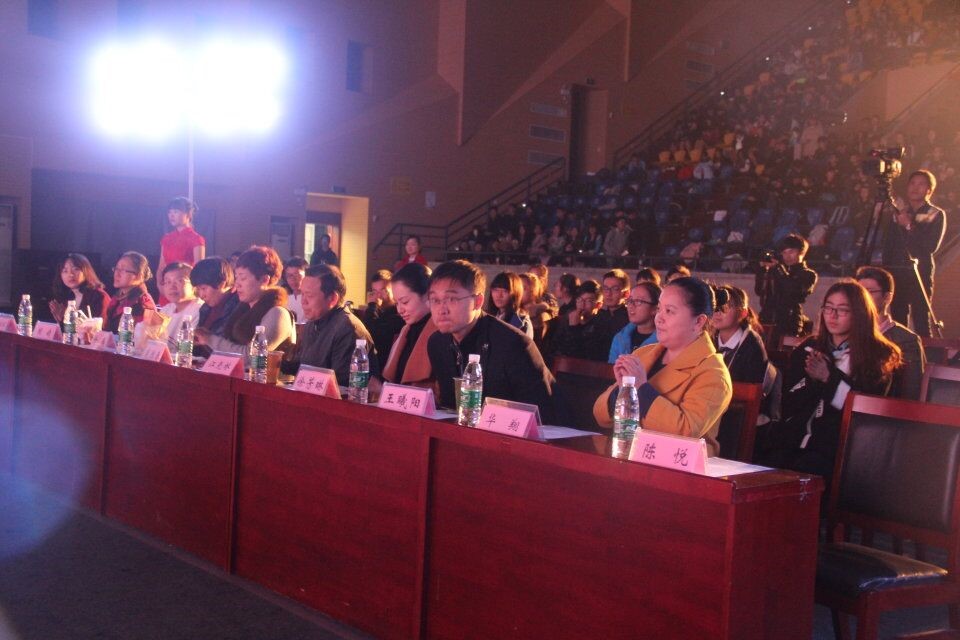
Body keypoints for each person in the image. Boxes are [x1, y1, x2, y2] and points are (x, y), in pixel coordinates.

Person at [756, 280, 902, 484]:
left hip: (842, 444)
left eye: (842, 310)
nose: (833, 316)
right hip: (796, 437)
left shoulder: (878, 354)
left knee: (809, 468)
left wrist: (828, 378)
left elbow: (865, 411)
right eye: (828, 308)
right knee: (763, 458)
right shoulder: (809, 347)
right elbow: (788, 401)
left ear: (859, 314)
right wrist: (812, 381)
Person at [593, 277, 733, 456]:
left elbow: (685, 431)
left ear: (698, 321)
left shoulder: (713, 373)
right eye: (659, 309)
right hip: (630, 455)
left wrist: (641, 389)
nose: (658, 318)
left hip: (680, 467)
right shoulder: (643, 354)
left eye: (669, 311)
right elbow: (600, 415)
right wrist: (620, 391)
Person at [425, 260, 561, 423]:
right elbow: (450, 408)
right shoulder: (437, 343)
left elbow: (543, 414)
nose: (441, 309)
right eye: (435, 300)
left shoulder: (513, 344)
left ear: (478, 301)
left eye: (451, 299)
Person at [282, 264, 379, 386]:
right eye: (303, 294)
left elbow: (340, 384)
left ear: (332, 298)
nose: (303, 301)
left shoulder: (348, 329)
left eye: (309, 295)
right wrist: (277, 363)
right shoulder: (312, 323)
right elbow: (302, 366)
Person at [195, 246, 294, 354]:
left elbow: (253, 356)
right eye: (236, 277)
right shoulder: (243, 309)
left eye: (243, 278)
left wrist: (210, 339)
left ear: (264, 280)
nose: (237, 284)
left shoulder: (277, 313)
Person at [882, 169, 947, 336]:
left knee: (921, 318)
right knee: (898, 318)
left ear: (929, 190)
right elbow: (889, 244)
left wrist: (909, 226)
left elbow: (930, 246)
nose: (915, 188)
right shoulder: (899, 214)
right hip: (897, 271)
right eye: (912, 183)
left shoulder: (936, 214)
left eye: (921, 184)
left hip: (920, 271)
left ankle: (925, 351)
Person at [856, 266, 926, 400]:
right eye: (859, 292)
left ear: (887, 297)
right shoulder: (847, 331)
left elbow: (911, 392)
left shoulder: (906, 340)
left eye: (869, 292)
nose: (862, 298)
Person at [381, 263, 437, 385]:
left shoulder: (440, 333)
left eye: (405, 302)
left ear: (427, 295)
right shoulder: (406, 331)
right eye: (397, 303)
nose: (399, 310)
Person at [755, 234, 818, 342]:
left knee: (785, 351)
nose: (787, 256)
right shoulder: (776, 270)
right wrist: (762, 270)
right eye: (784, 252)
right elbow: (759, 291)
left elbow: (792, 290)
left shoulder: (808, 274)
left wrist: (778, 269)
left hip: (789, 322)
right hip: (767, 319)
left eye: (791, 252)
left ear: (801, 252)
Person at [711, 285, 768, 384]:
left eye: (725, 307)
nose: (718, 313)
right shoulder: (708, 339)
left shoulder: (752, 345)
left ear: (743, 313)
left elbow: (751, 388)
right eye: (716, 307)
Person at [49, 253, 111, 324]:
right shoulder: (68, 297)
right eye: (65, 271)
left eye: (76, 269)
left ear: (86, 271)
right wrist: (62, 320)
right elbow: (69, 329)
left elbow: (99, 327)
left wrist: (68, 320)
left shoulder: (99, 296)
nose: (70, 274)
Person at [554, 280, 608, 361]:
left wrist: (574, 328)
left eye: (588, 301)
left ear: (598, 305)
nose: (582, 304)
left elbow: (584, 354)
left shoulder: (602, 325)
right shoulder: (568, 318)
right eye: (579, 300)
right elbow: (559, 348)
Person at [608, 282, 660, 363]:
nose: (631, 306)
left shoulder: (663, 342)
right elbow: (611, 367)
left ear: (655, 309)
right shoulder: (620, 338)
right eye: (630, 300)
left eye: (638, 301)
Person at [105, 251, 157, 332]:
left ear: (138, 275)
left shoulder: (142, 303)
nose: (117, 274)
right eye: (116, 269)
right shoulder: (117, 299)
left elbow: (140, 337)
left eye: (123, 270)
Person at [362, 269, 405, 362]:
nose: (378, 296)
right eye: (374, 291)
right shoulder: (377, 312)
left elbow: (370, 335)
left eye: (383, 290)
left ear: (394, 290)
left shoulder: (400, 314)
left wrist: (372, 305)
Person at [191, 257, 240, 338]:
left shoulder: (238, 307)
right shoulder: (205, 308)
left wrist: (208, 338)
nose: (201, 295)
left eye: (203, 288)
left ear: (222, 284)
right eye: (198, 289)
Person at [156, 262, 203, 347]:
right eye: (168, 282)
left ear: (194, 285)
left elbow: (188, 348)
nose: (172, 287)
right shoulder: (166, 309)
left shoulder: (200, 310)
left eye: (179, 281)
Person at [159, 197, 205, 275]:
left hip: (187, 280)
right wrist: (160, 281)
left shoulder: (196, 239)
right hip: (167, 280)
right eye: (169, 212)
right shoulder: (166, 238)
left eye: (175, 212)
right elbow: (161, 267)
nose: (171, 215)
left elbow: (199, 269)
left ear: (188, 214)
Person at [484, 271, 534, 340]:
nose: (499, 295)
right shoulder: (488, 317)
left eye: (505, 291)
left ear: (515, 293)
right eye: (495, 290)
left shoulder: (521, 322)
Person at [593, 269, 631, 355]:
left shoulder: (630, 319)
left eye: (615, 289)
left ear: (626, 294)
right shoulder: (599, 316)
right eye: (606, 289)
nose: (608, 294)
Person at [282, 257, 308, 322]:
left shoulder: (312, 298)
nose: (293, 279)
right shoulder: (284, 299)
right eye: (289, 275)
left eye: (297, 275)